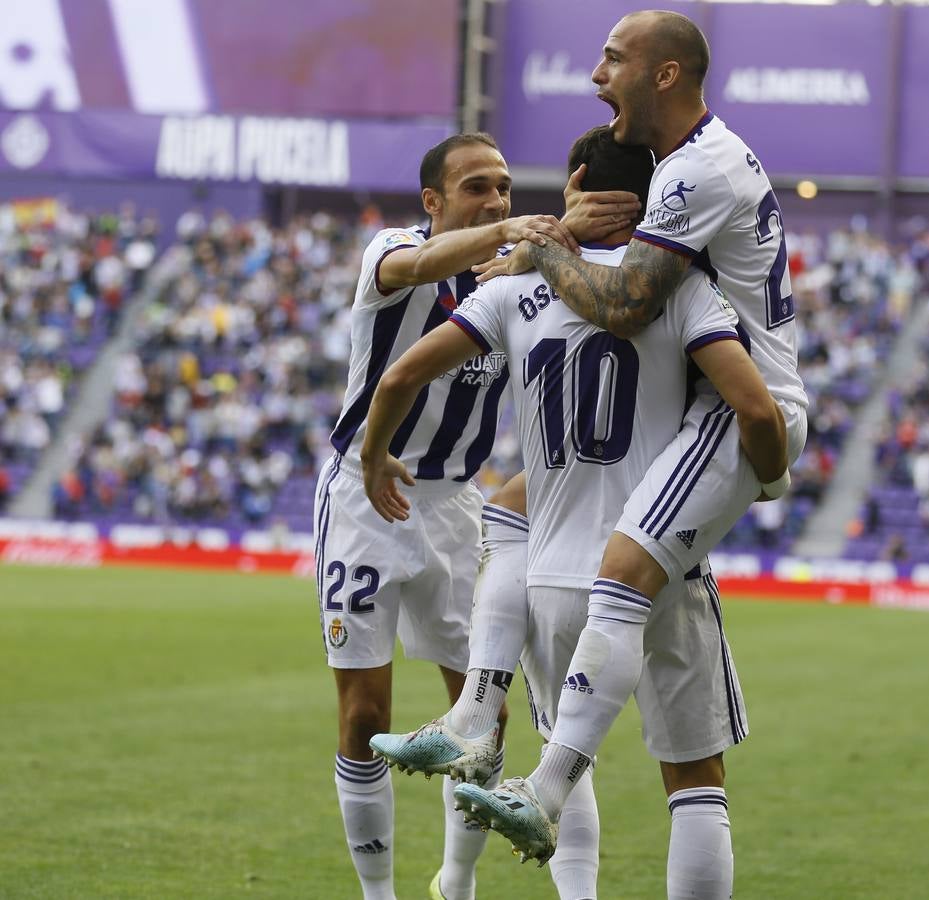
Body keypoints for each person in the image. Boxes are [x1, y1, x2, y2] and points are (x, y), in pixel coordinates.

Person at [362, 126, 787, 899]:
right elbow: (754, 407)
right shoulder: (680, 289)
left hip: (548, 583)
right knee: (695, 783)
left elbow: (395, 380)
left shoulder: (511, 287)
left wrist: (372, 452)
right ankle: (482, 728)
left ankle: (475, 709)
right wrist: (767, 477)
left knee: (564, 749)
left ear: (577, 182)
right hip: (658, 567)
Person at [454, 10, 810, 885]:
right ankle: (480, 718)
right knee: (512, 508)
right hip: (706, 414)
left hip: (735, 409)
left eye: (612, 59)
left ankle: (541, 782)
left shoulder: (696, 172)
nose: (594, 75)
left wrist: (538, 247)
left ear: (664, 75)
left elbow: (623, 307)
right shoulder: (683, 166)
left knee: (618, 572)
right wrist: (565, 232)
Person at [316, 131, 638, 900]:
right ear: (434, 203)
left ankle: (453, 883)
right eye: (476, 187)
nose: (496, 198)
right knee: (365, 714)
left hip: (457, 506)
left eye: (502, 187)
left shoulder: (514, 277)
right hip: (368, 496)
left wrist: (561, 235)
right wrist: (510, 231)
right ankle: (378, 895)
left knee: (480, 718)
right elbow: (420, 264)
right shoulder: (395, 252)